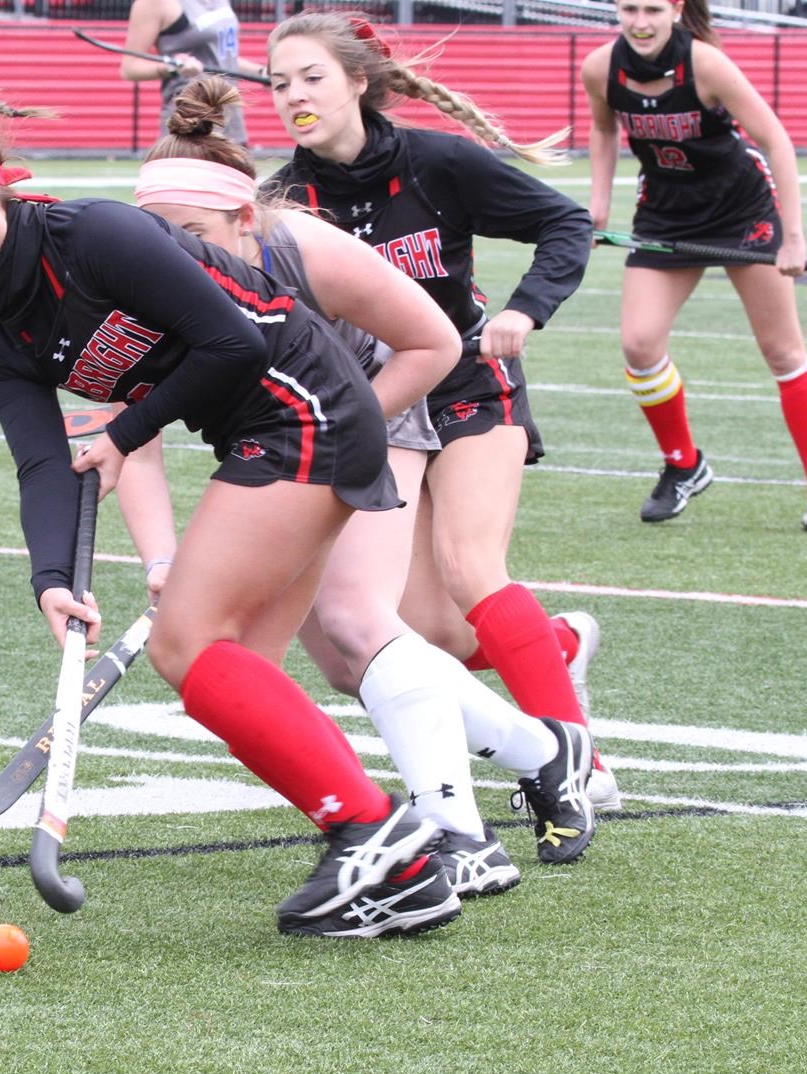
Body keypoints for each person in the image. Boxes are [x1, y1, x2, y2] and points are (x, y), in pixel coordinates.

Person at [0, 74, 455, 939]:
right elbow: (43, 465)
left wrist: (124, 433)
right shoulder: (4, 344)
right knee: (227, 677)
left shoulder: (95, 233)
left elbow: (235, 339)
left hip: (307, 406)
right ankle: (394, 862)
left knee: (189, 643)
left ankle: (380, 838)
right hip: (267, 431)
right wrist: (53, 581)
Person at [128, 76, 600, 885]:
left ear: (243, 219)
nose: (183, 258)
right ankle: (545, 750)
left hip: (378, 408)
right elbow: (132, 431)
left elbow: (432, 345)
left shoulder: (304, 247)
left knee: (354, 616)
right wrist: (161, 558)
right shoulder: (150, 277)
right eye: (159, 240)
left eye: (195, 233)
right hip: (276, 445)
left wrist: (341, 431)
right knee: (322, 664)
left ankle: (459, 834)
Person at [261, 14, 622, 809]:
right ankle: (557, 644)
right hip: (382, 407)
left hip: (468, 379)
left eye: (311, 78)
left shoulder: (436, 162)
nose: (293, 97)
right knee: (429, 631)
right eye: (279, 84)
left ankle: (579, 766)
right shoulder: (282, 200)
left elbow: (563, 221)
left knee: (469, 564)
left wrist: (527, 310)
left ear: (359, 81)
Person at [583, 0, 807, 533]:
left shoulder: (705, 65)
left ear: (676, 10)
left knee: (782, 350)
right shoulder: (599, 68)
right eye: (629, 8)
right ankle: (684, 465)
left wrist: (792, 237)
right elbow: (604, 130)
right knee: (639, 345)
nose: (640, 22)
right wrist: (597, 208)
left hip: (739, 210)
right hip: (665, 213)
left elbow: (777, 141)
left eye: (653, 9)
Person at [118, 0, 265, 144]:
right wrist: (171, 67)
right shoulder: (154, 4)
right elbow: (129, 68)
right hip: (192, 118)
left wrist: (261, 72)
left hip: (230, 110)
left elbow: (221, 57)